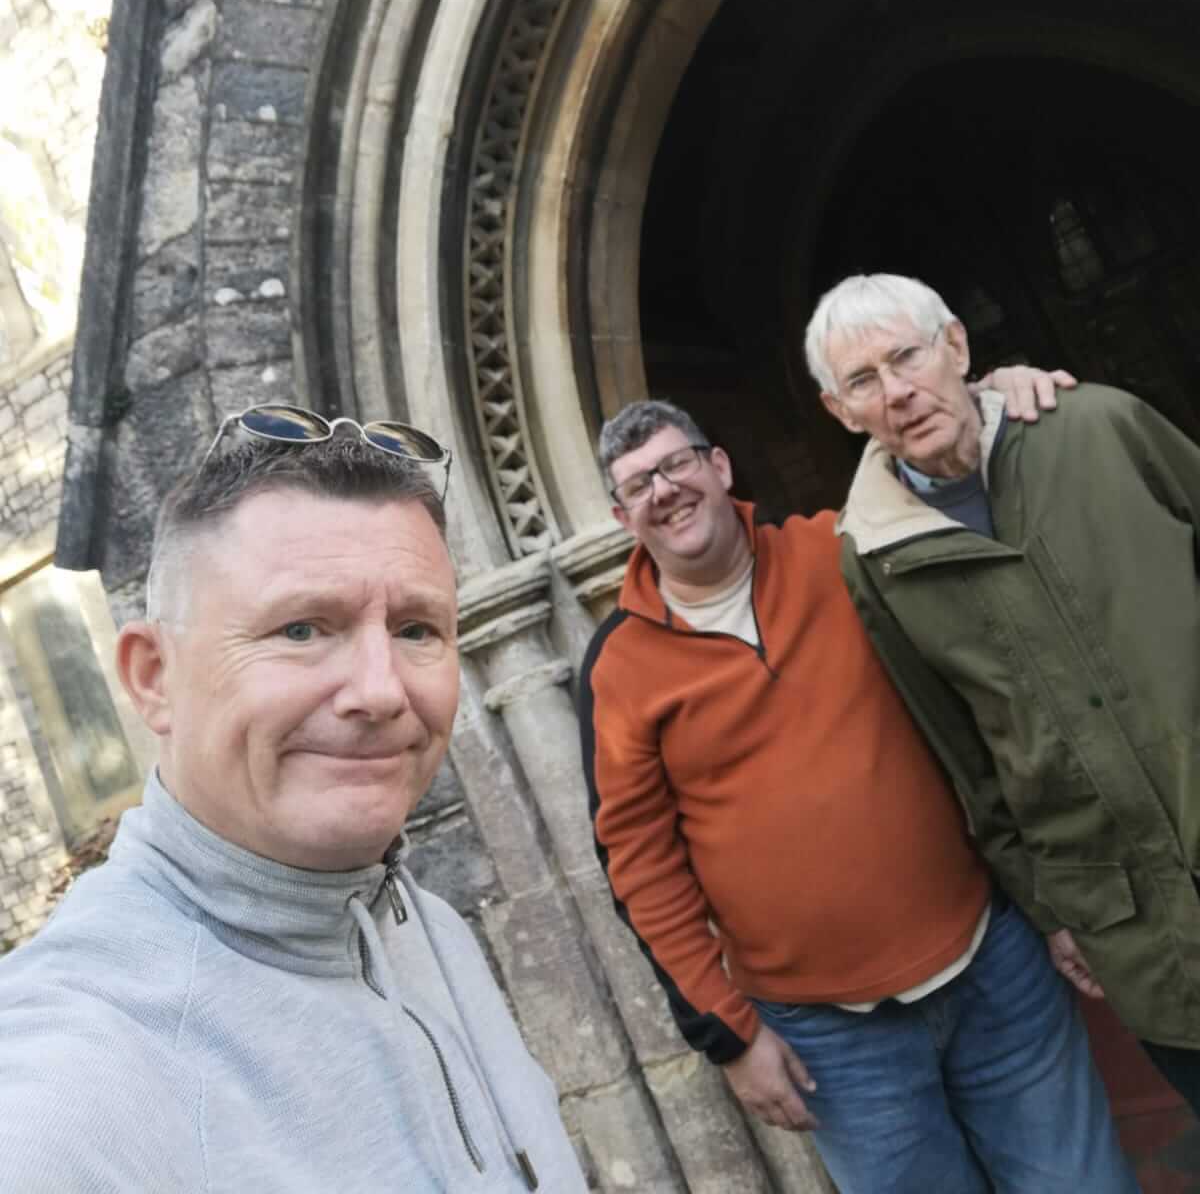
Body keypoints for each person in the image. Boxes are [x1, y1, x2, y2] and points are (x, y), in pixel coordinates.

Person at [0, 406, 586, 1194]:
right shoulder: (76, 1071)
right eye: (303, 629)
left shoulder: (422, 924)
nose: (382, 692)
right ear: (153, 678)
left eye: (417, 630)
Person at [579, 395, 1136, 1194]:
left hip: (993, 968)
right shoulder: (617, 669)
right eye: (639, 484)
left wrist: (1003, 394)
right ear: (620, 514)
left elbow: (953, 487)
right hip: (832, 1045)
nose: (663, 489)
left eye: (675, 463)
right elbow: (640, 870)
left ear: (719, 466)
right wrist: (730, 1038)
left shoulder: (839, 549)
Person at [810, 271, 1200, 1120]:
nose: (899, 393)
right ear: (841, 412)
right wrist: (1052, 908)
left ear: (956, 345)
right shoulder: (874, 558)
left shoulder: (1097, 426)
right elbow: (963, 754)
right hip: (1135, 920)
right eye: (863, 382)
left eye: (906, 356)